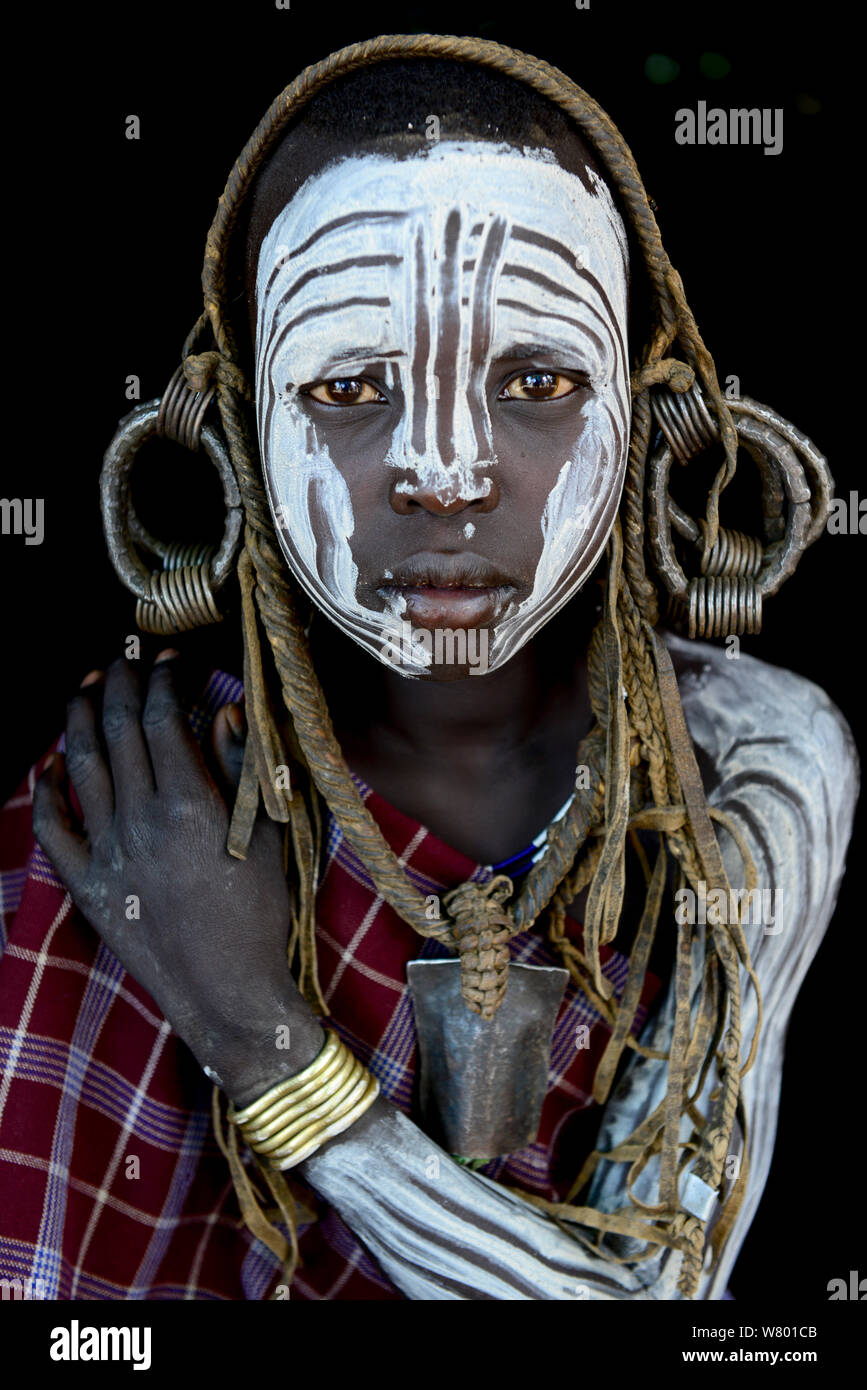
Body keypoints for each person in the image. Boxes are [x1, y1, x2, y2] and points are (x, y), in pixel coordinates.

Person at [0, 35, 856, 1301]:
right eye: (348, 384)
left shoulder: (747, 763)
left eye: (539, 380)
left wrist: (258, 1032)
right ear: (231, 424)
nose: (446, 471)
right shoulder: (128, 806)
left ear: (650, 412)